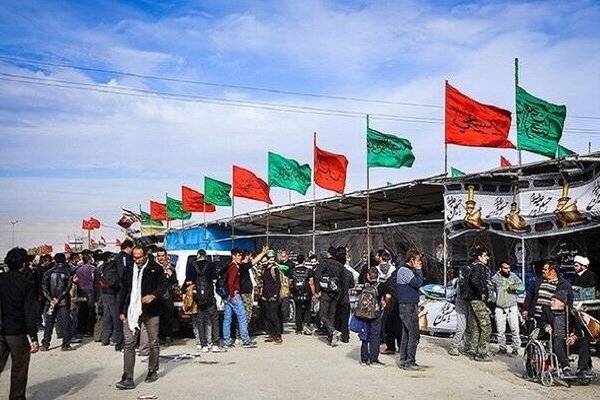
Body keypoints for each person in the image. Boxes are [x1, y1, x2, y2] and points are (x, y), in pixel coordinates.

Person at [115, 245, 168, 390]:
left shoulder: (155, 268)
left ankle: (152, 370)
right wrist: (121, 311)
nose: (136, 260)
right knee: (129, 343)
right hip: (132, 310)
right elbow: (124, 290)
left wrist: (154, 295)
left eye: (139, 257)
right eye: (134, 257)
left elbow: (164, 285)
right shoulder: (129, 269)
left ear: (145, 255)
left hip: (151, 311)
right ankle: (127, 377)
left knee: (153, 342)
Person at [0, 247, 40, 400]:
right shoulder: (26, 282)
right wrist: (34, 338)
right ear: (23, 264)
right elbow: (29, 311)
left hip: (1, 329)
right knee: (19, 369)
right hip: (17, 332)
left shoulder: (1, 279)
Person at [537, 290, 593, 376]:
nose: (551, 302)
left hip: (567, 341)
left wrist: (573, 337)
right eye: (551, 300)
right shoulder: (546, 310)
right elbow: (541, 322)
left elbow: (579, 331)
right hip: (553, 340)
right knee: (557, 339)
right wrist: (546, 326)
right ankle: (565, 366)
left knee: (584, 341)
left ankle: (582, 369)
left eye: (554, 301)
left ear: (562, 304)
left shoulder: (571, 313)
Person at [184, 250, 226, 353]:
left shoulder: (191, 265)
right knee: (214, 319)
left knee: (200, 320)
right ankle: (215, 343)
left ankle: (203, 345)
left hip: (197, 297)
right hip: (209, 296)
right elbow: (215, 280)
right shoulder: (211, 265)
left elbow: (188, 281)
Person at [463, 246, 493, 362]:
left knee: (476, 326)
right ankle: (482, 353)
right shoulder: (479, 267)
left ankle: (473, 350)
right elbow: (474, 280)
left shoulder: (473, 266)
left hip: (472, 299)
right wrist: (481, 293)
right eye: (485, 256)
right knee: (486, 326)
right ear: (479, 257)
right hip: (477, 300)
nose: (487, 258)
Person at [222, 249, 257, 348]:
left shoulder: (229, 266)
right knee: (242, 317)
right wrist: (233, 295)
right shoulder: (234, 267)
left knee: (227, 318)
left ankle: (227, 340)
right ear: (233, 256)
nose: (240, 257)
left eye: (240, 255)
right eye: (238, 255)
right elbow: (230, 282)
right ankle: (245, 340)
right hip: (234, 295)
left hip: (227, 295)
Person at [396, 250, 424, 370]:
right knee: (414, 335)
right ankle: (409, 361)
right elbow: (417, 283)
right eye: (417, 260)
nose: (419, 262)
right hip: (407, 306)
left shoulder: (407, 270)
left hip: (409, 305)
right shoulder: (404, 271)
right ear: (411, 259)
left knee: (407, 334)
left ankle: (404, 360)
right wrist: (418, 271)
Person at [41, 253, 74, 352]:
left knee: (49, 322)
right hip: (63, 301)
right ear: (64, 260)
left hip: (50, 302)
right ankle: (65, 344)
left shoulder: (48, 273)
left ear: (54, 260)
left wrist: (51, 299)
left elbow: (44, 287)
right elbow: (67, 287)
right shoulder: (68, 272)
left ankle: (45, 344)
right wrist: (59, 298)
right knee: (65, 322)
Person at [491, 262, 524, 356]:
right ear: (500, 268)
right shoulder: (495, 278)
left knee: (515, 329)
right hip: (499, 307)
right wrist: (493, 300)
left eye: (509, 268)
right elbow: (490, 290)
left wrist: (515, 287)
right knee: (500, 330)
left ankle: (515, 348)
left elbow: (522, 287)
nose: (508, 270)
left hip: (512, 306)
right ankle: (502, 348)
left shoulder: (513, 276)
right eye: (505, 268)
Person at [314, 246, 344, 346]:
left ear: (329, 254)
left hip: (325, 291)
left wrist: (317, 290)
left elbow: (317, 276)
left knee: (323, 314)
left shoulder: (324, 263)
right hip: (335, 292)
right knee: (331, 315)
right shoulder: (340, 265)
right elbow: (342, 279)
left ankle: (332, 331)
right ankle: (331, 337)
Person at [358, 267, 386, 367]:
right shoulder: (381, 286)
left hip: (364, 314)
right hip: (375, 314)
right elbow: (385, 298)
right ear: (377, 276)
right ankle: (374, 359)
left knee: (365, 334)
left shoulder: (364, 286)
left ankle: (364, 359)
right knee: (375, 336)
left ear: (368, 276)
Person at [156, 248, 177, 346]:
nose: (161, 258)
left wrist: (169, 272)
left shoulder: (171, 268)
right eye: (159, 256)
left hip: (167, 295)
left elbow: (174, 281)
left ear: (166, 256)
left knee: (168, 316)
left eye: (162, 256)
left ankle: (168, 336)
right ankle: (160, 337)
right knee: (158, 317)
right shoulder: (154, 267)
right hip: (156, 296)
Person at [448, 266, 471, 356]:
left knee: (468, 328)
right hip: (461, 306)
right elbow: (462, 295)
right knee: (461, 328)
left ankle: (467, 347)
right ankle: (454, 347)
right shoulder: (461, 282)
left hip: (467, 306)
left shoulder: (467, 281)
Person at [261, 251, 283, 344]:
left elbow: (278, 284)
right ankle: (271, 334)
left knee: (274, 316)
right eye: (262, 262)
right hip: (265, 297)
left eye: (265, 261)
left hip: (274, 296)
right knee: (268, 316)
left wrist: (275, 295)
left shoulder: (275, 269)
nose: (264, 263)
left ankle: (278, 335)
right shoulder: (263, 270)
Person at [291, 254, 315, 335]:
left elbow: (291, 282)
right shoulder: (309, 271)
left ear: (297, 261)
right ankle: (306, 326)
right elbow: (311, 283)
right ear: (304, 261)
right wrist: (313, 293)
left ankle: (298, 329)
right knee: (307, 310)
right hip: (306, 293)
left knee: (298, 310)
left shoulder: (293, 271)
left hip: (296, 293)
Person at [335, 246, 355, 343]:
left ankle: (335, 334)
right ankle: (345, 337)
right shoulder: (349, 273)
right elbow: (352, 285)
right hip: (346, 299)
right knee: (345, 318)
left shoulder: (335, 273)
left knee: (336, 317)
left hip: (335, 298)